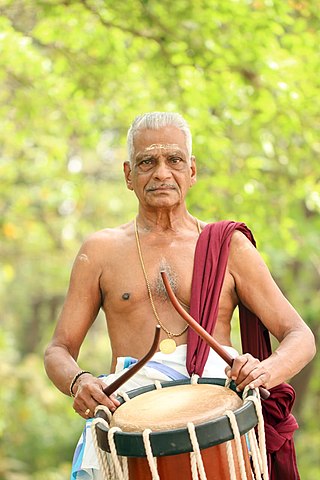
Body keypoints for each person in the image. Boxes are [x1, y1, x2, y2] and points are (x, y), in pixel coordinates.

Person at [44, 112, 315, 479]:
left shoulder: (228, 246)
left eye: (174, 160)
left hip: (220, 427)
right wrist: (80, 382)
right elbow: (58, 349)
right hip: (130, 426)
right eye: (147, 162)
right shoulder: (100, 251)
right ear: (128, 175)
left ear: (192, 171)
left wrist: (264, 371)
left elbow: (300, 336)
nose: (161, 173)